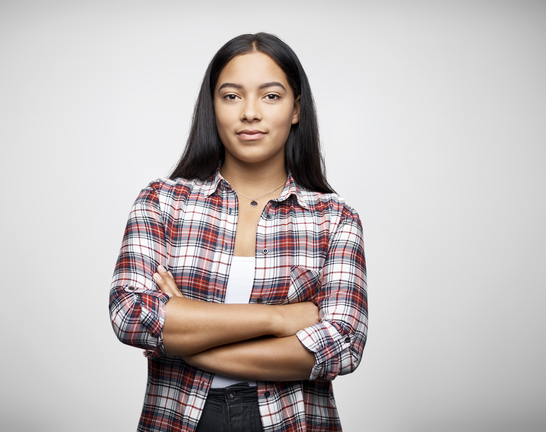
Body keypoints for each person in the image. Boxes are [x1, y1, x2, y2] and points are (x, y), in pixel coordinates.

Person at [109, 32, 368, 432]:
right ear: (212, 107)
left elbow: (341, 347)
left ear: (296, 109)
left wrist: (191, 342)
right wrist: (280, 319)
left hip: (289, 421)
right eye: (231, 96)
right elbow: (132, 315)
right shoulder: (163, 202)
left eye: (270, 96)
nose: (250, 112)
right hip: (180, 420)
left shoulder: (334, 219)